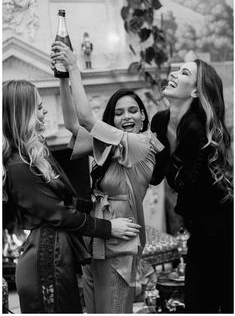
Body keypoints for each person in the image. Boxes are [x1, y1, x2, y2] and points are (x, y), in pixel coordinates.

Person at [2, 79, 141, 313]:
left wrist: (97, 205)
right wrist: (108, 228)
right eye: (37, 106)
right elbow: (60, 214)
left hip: (57, 257)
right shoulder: (18, 165)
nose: (44, 109)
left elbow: (67, 201)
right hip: (45, 265)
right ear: (22, 112)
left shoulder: (34, 154)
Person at [50, 40, 164, 313]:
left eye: (133, 110)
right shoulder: (110, 144)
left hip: (121, 247)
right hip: (96, 241)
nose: (127, 116)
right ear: (111, 122)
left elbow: (87, 118)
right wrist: (63, 78)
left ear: (143, 116)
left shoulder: (143, 144)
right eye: (119, 113)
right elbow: (73, 125)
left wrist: (75, 66)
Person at [151, 59, 233, 313]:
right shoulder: (159, 121)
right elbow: (155, 177)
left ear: (196, 91)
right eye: (176, 69)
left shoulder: (198, 129)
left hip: (225, 235)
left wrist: (160, 150)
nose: (174, 73)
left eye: (184, 72)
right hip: (199, 234)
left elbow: (182, 183)